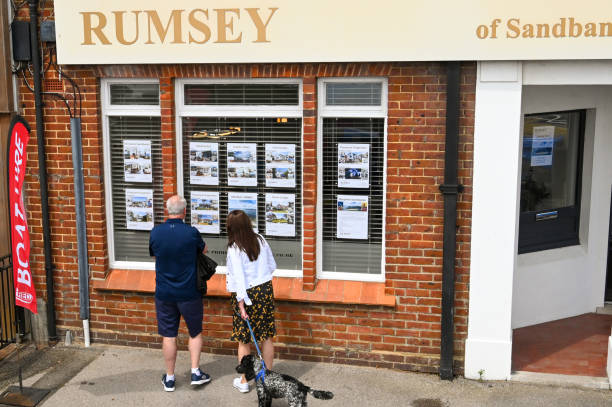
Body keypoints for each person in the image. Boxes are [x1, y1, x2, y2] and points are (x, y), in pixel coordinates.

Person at [149, 195, 211, 392]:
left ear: (168, 210)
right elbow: (204, 250)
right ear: (184, 212)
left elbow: (153, 253)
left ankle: (169, 378)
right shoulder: (191, 233)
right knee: (195, 333)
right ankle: (194, 372)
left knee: (168, 335)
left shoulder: (156, 232)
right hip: (189, 292)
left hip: (164, 292)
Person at [225, 210, 277, 393]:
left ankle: (244, 381)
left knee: (244, 339)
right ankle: (268, 379)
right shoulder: (260, 239)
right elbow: (272, 266)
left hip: (245, 294)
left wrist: (241, 303)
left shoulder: (234, 247)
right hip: (264, 290)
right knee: (266, 335)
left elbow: (238, 277)